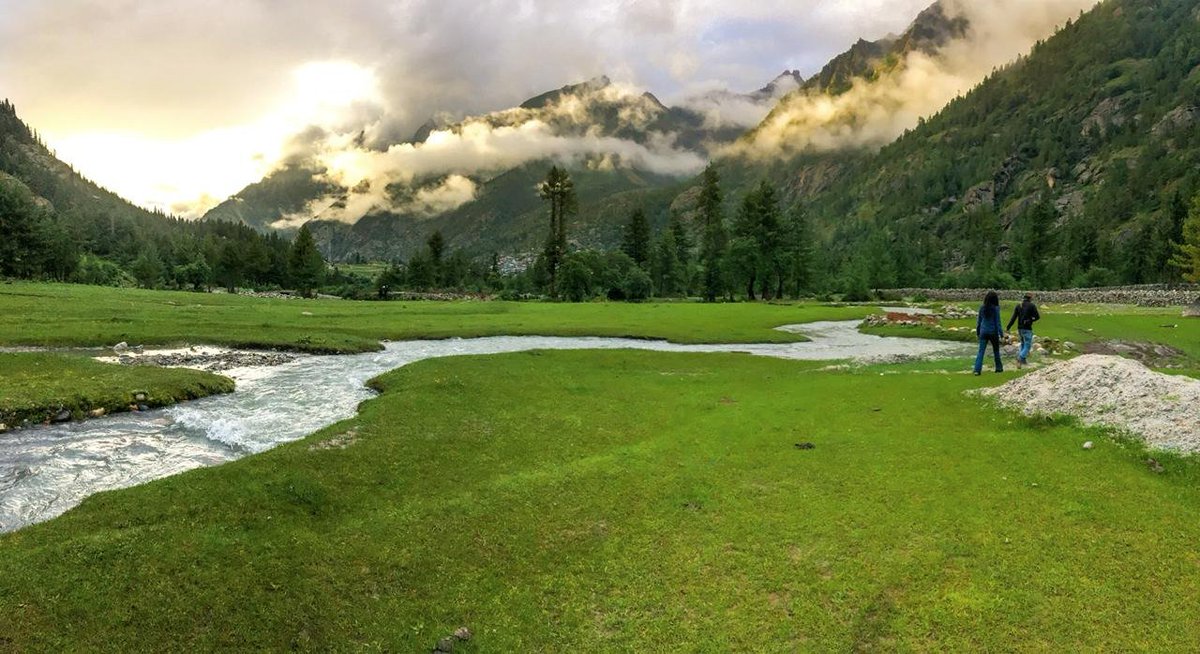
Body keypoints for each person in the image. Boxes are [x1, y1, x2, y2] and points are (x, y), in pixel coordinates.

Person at [1006, 293, 1041, 368]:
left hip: (1020, 328)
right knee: (1028, 346)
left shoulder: (1019, 305)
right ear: (1030, 298)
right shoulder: (1032, 305)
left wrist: (1008, 327)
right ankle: (1020, 358)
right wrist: (1031, 319)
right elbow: (1037, 316)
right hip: (1027, 328)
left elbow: (1013, 318)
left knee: (1022, 344)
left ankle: (1023, 361)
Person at [974, 290, 1003, 376]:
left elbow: (979, 321)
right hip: (993, 332)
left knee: (981, 351)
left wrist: (978, 332)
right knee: (996, 351)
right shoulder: (996, 308)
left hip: (983, 331)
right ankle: (998, 368)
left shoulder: (982, 307)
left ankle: (977, 370)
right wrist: (1001, 333)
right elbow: (998, 322)